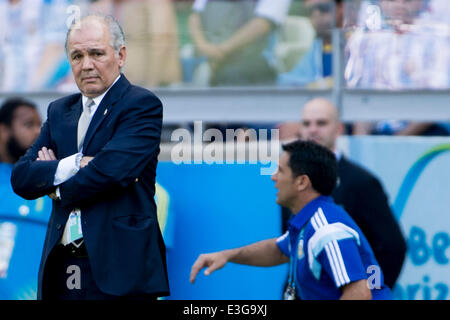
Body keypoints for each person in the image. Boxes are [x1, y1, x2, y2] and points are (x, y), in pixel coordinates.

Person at [10, 14, 169, 300]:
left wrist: (54, 185)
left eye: (96, 53)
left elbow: (110, 171)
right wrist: (73, 164)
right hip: (63, 264)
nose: (86, 65)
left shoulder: (140, 104)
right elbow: (22, 177)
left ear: (120, 56)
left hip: (119, 268)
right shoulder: (59, 111)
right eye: (77, 56)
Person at [190, 140, 392, 300]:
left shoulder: (328, 231)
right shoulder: (308, 221)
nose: (273, 177)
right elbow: (278, 250)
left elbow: (359, 293)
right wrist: (227, 255)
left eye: (280, 170)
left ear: (302, 182)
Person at [278, 98, 406, 289]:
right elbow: (290, 243)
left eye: (321, 123)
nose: (313, 129)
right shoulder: (290, 180)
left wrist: (367, 291)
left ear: (338, 129)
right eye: (306, 123)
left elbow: (392, 247)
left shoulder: (362, 182)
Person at [0, 98, 51, 299]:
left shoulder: (51, 182)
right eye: (28, 124)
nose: (38, 132)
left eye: (40, 125)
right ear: (3, 131)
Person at [188, 0, 292, 86]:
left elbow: (262, 25)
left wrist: (220, 51)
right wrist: (203, 46)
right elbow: (195, 16)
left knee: (233, 75)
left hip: (251, 65)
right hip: (208, 58)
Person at [277, 0, 343, 88]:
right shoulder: (317, 49)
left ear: (342, 8)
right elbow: (287, 83)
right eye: (310, 11)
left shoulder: (358, 47)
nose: (317, 15)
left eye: (323, 8)